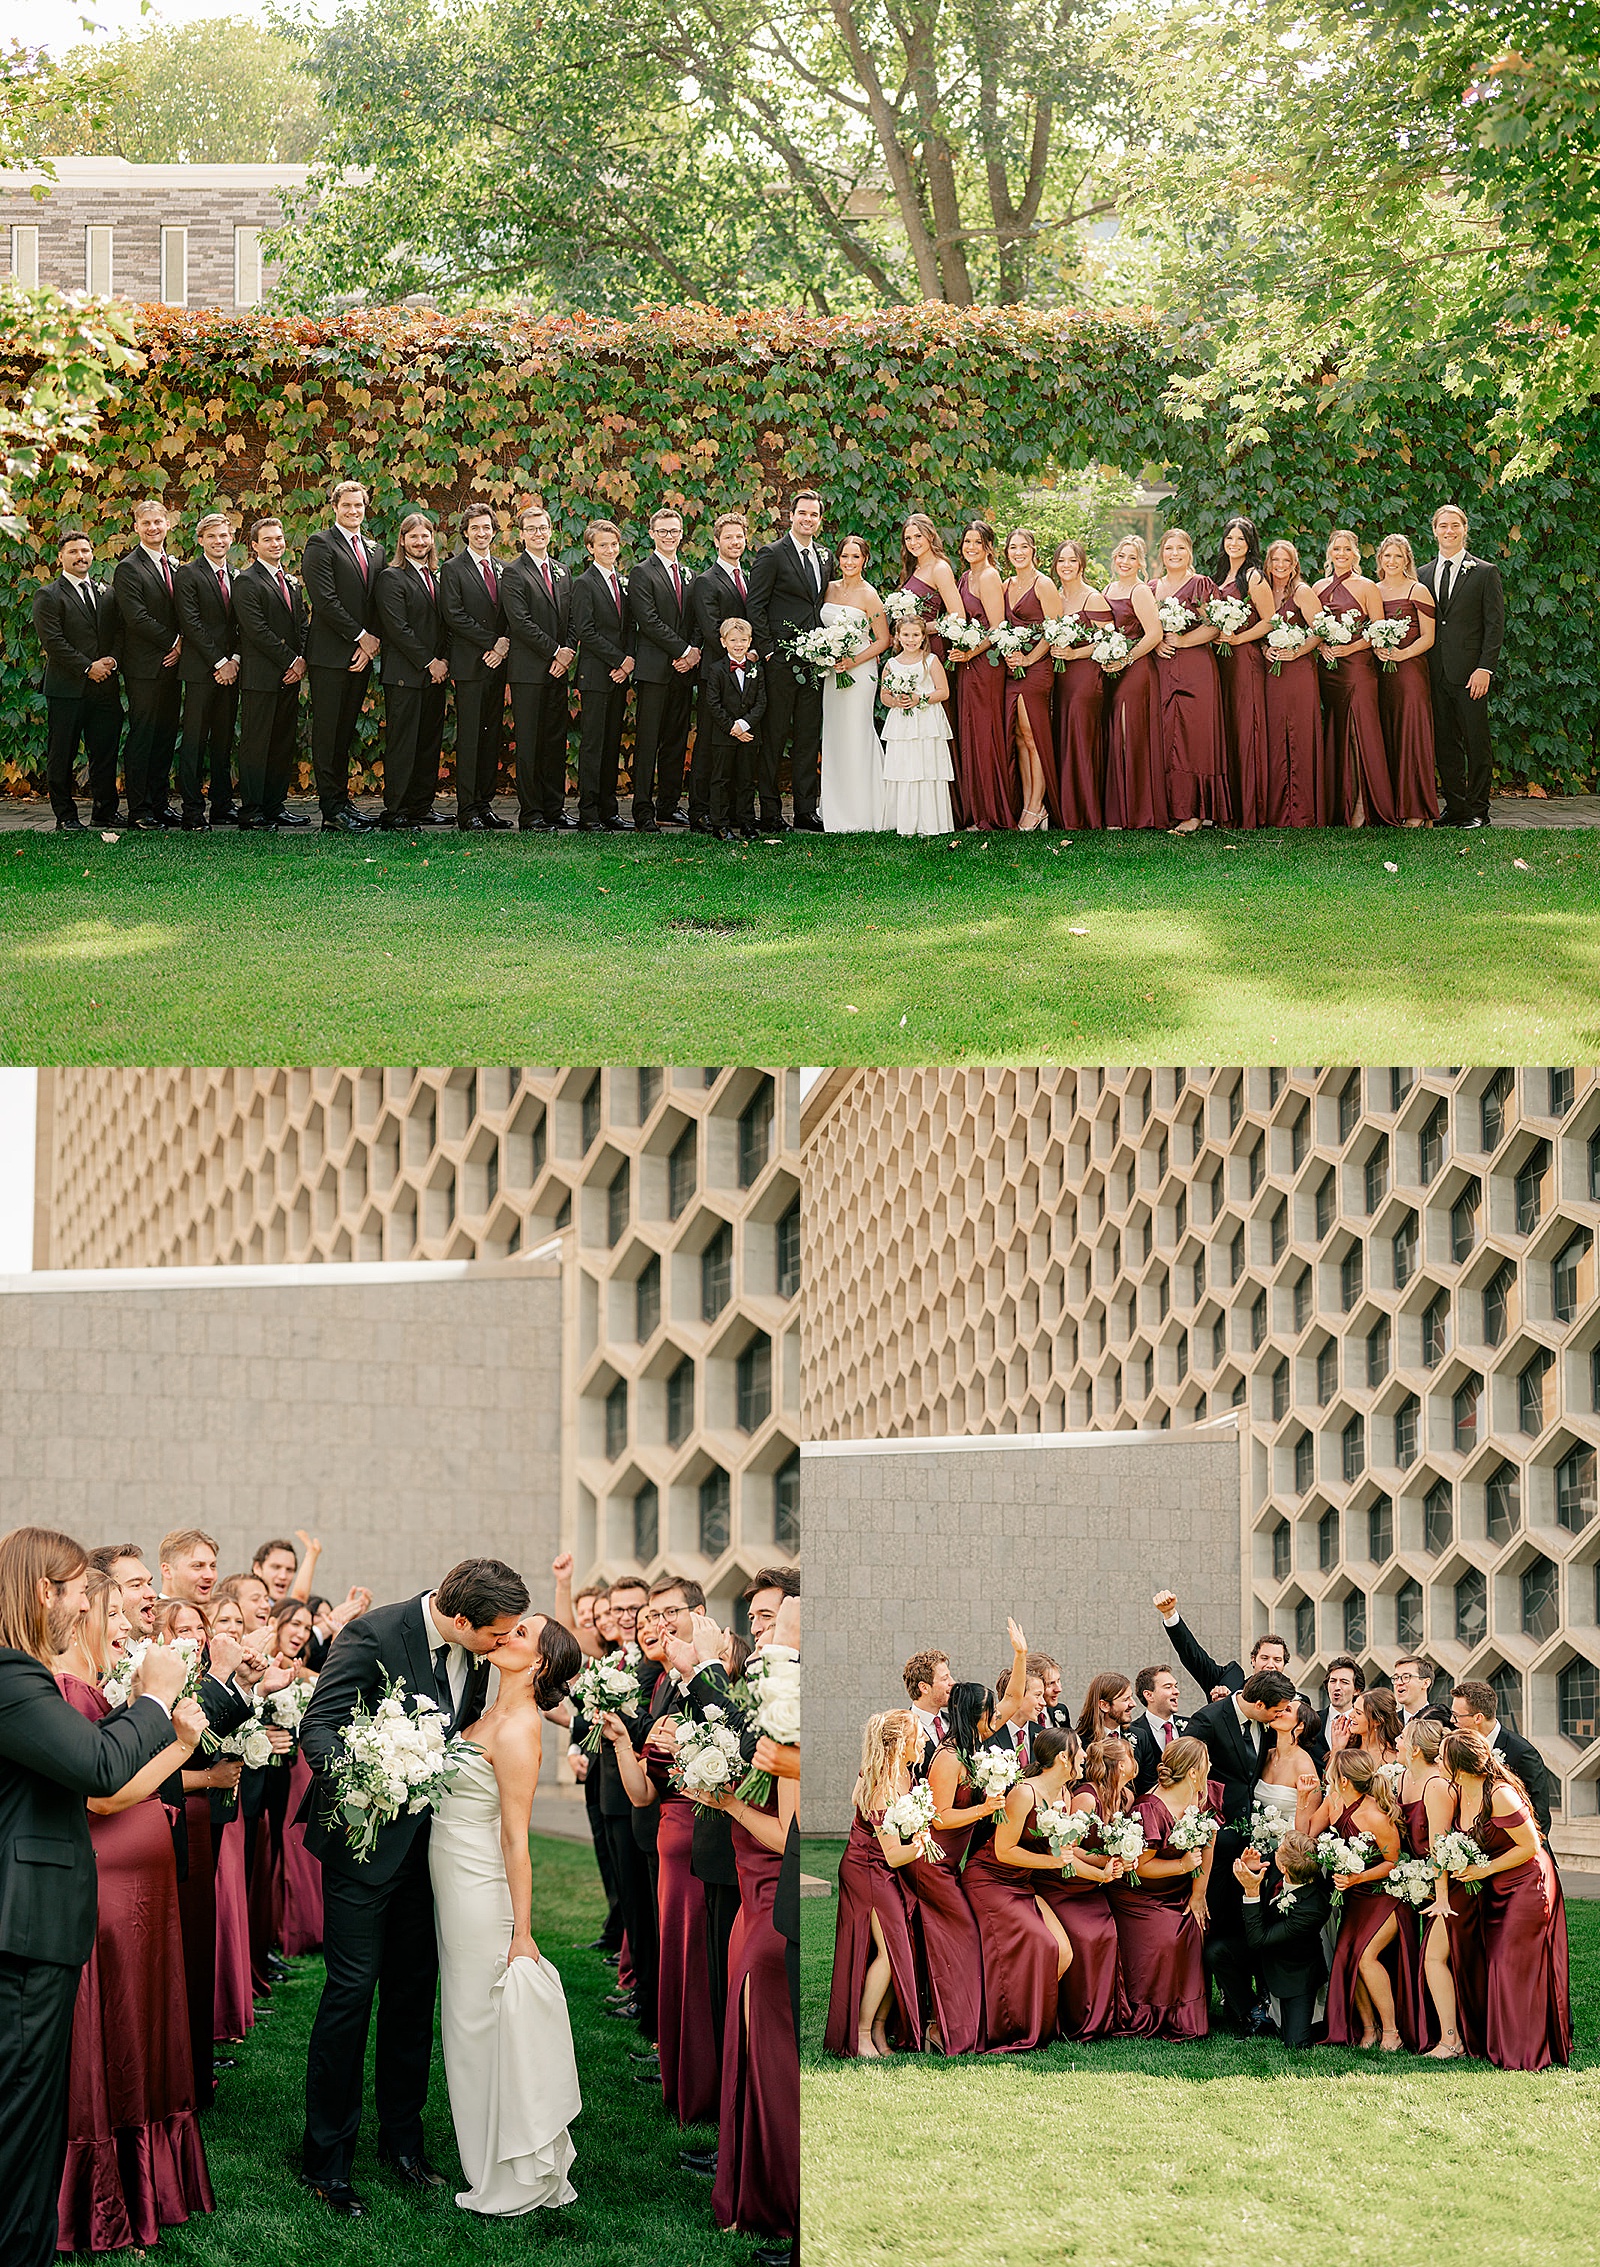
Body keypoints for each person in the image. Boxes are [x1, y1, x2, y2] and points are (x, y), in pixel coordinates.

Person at [297, 1556, 532, 2217]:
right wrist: (367, 1775)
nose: (503, 1642)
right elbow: (316, 1724)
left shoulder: (481, 1652)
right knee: (351, 1991)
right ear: (462, 1619)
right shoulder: (373, 1634)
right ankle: (327, 2160)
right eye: (497, 1632)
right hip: (361, 1843)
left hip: (433, 1853)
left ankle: (403, 2142)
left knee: (412, 1992)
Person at [0, 1526, 194, 2267]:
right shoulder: (14, 1676)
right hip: (21, 1934)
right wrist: (155, 1697)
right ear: (46, 1591)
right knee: (21, 2126)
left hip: (35, 1929)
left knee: (27, 2121)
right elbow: (97, 1765)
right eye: (81, 1592)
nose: (87, 1607)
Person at [54, 1570, 216, 2253]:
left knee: (134, 2033)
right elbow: (104, 1795)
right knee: (107, 2036)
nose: (125, 1626)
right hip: (106, 1893)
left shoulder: (87, 1686)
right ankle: (96, 2191)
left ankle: (139, 2171)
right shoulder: (65, 1689)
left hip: (134, 1892)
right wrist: (176, 1742)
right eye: (113, 1613)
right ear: (77, 1615)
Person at [430, 1609, 583, 2212]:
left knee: (476, 2027)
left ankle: (507, 2167)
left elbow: (517, 1838)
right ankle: (488, 2150)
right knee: (464, 2025)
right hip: (450, 1876)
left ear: (540, 1662)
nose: (506, 1634)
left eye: (522, 1633)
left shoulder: (520, 1728)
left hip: (479, 1891)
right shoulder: (487, 1709)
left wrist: (523, 1932)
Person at [1438, 1729, 1569, 2069]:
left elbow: (1531, 1846)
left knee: (1509, 1961)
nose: (1438, 1760)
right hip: (1497, 1882)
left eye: (1443, 1756)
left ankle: (1524, 2051)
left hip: (1527, 1882)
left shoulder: (1500, 1794)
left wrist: (1485, 1869)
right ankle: (1499, 2041)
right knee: (1494, 1960)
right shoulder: (1459, 1791)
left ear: (1460, 1766)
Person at [910, 1682, 1007, 2054]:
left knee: (959, 1938)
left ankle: (947, 2022)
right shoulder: (949, 1758)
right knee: (964, 1936)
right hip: (931, 1863)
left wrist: (1021, 1655)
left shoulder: (971, 1753)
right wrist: (985, 1807)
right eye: (989, 1713)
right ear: (974, 1715)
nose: (993, 1720)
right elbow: (941, 1816)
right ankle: (941, 2026)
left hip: (950, 1864)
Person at [823, 1711, 923, 2056]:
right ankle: (861, 2034)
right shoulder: (881, 1787)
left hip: (881, 1867)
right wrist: (924, 1841)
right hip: (867, 1868)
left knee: (900, 1947)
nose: (922, 1741)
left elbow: (854, 1799)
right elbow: (895, 1855)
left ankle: (879, 2031)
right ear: (901, 1744)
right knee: (888, 1950)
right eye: (918, 1736)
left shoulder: (904, 1774)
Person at [1113, 1735, 1220, 2038]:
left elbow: (1209, 1845)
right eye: (1206, 1763)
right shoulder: (1149, 1808)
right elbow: (1142, 1865)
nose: (1210, 1767)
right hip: (1140, 1893)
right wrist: (1182, 1867)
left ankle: (1185, 2013)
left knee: (1195, 1923)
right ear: (1193, 1771)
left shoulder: (1201, 1796)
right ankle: (1151, 2011)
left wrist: (1198, 1895)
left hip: (1181, 1889)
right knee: (1168, 1936)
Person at [1312, 1746, 1417, 2050]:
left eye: (1331, 1773)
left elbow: (1392, 1862)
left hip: (1385, 1896)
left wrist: (1357, 1876)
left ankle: (1392, 2031)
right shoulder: (1333, 1801)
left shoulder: (1375, 1815)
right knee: (1347, 1957)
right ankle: (1368, 2030)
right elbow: (1309, 1831)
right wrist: (1305, 1802)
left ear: (1343, 1779)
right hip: (1355, 1898)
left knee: (1366, 1957)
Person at [747, 489, 834, 832]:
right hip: (780, 660)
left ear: (819, 520)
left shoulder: (824, 557)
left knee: (808, 736)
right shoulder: (772, 554)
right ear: (791, 515)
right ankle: (769, 812)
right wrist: (768, 650)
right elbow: (755, 605)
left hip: (815, 662)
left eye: (814, 514)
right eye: (802, 513)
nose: (808, 519)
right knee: (774, 735)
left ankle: (804, 810)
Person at [300, 477, 383, 833]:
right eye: (346, 505)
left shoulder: (374, 548)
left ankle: (344, 803)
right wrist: (361, 637)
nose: (353, 511)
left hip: (361, 655)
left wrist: (370, 644)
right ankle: (332, 810)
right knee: (328, 733)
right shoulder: (321, 544)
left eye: (358, 505)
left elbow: (377, 600)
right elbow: (325, 600)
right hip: (331, 655)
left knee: (344, 732)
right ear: (335, 507)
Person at [1419, 502, 1504, 829]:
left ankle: (1479, 811)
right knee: (1445, 743)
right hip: (1434, 672)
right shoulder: (1423, 574)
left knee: (1476, 742)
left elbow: (1494, 625)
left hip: (1471, 674)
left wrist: (1485, 668)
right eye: (1443, 525)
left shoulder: (1484, 572)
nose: (1449, 531)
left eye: (1455, 525)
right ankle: (1455, 807)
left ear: (1464, 529)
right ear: (1435, 530)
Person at [32, 530, 123, 830]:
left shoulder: (105, 592)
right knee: (63, 752)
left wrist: (111, 660)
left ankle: (105, 812)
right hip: (68, 689)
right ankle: (66, 816)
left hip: (105, 686)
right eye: (73, 552)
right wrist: (88, 667)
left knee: (105, 752)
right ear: (60, 557)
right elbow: (54, 642)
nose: (80, 556)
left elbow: (118, 632)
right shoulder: (48, 595)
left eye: (85, 550)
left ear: (92, 554)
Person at [232, 515, 311, 831]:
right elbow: (256, 630)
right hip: (262, 677)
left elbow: (302, 624)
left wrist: (303, 658)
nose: (276, 543)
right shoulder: (247, 581)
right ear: (254, 546)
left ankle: (275, 806)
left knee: (281, 743)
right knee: (257, 744)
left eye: (279, 538)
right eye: (268, 539)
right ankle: (252, 811)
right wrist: (291, 661)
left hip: (290, 676)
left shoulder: (290, 580)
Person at [373, 512, 451, 831]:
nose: (420, 542)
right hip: (406, 674)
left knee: (428, 742)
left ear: (432, 540)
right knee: (403, 744)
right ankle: (397, 810)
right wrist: (429, 662)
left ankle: (421, 806)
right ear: (402, 541)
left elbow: (444, 625)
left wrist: (442, 662)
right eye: (414, 536)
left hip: (435, 675)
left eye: (425, 536)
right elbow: (398, 629)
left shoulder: (435, 576)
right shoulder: (392, 578)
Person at [501, 502, 576, 832]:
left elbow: (573, 617)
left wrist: (569, 651)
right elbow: (520, 623)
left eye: (543, 527)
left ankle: (554, 808)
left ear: (551, 531)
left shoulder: (563, 570)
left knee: (555, 742)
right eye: (531, 529)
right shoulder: (514, 572)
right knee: (530, 744)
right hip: (530, 672)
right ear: (522, 535)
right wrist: (555, 652)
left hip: (559, 671)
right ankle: (531, 814)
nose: (538, 533)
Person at [1312, 529, 1395, 826]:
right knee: (1335, 732)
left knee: (1359, 734)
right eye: (1337, 549)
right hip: (1329, 672)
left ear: (1356, 554)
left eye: (1347, 549)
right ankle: (1338, 806)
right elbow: (1312, 627)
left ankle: (1363, 804)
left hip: (1359, 670)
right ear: (1329, 552)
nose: (1342, 554)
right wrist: (1322, 645)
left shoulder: (1367, 586)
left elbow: (1378, 630)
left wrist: (1349, 647)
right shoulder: (1318, 586)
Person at [1150, 525, 1229, 832]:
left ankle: (1196, 811)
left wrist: (1182, 641)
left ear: (1190, 552)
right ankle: (1170, 807)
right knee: (1167, 734)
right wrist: (1157, 640)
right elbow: (1144, 626)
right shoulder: (1152, 586)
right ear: (1161, 553)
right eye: (1169, 548)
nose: (1174, 554)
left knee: (1195, 738)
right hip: (1164, 669)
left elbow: (1214, 627)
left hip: (1197, 668)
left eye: (1180, 548)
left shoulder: (1201, 584)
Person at [112, 496, 184, 829]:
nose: (153, 528)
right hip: (144, 666)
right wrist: (174, 641)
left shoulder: (172, 564)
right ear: (137, 527)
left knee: (166, 735)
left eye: (158, 522)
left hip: (173, 665)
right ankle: (139, 809)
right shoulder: (129, 568)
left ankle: (159, 802)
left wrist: (182, 646)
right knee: (143, 735)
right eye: (146, 523)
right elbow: (137, 617)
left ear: (168, 524)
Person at [627, 507, 701, 832]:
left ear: (682, 533)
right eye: (663, 531)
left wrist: (692, 654)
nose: (670, 536)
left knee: (676, 740)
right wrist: (682, 650)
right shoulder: (642, 572)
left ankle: (668, 806)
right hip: (655, 670)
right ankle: (643, 809)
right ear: (652, 534)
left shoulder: (689, 574)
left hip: (683, 673)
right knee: (648, 742)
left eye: (674, 531)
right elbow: (649, 621)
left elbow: (695, 618)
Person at [440, 502, 511, 832]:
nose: (481, 533)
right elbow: (454, 615)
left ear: (494, 531)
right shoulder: (453, 569)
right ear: (465, 532)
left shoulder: (503, 568)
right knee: (469, 738)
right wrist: (491, 643)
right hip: (470, 665)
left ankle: (485, 804)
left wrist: (504, 644)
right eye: (475, 528)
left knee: (490, 736)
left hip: (497, 665)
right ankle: (466, 809)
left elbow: (512, 612)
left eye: (486, 527)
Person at [689, 511, 757, 832]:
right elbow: (711, 629)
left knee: (738, 747)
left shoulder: (750, 576)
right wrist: (738, 655)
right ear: (716, 541)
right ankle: (700, 812)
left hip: (746, 675)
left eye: (739, 537)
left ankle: (730, 812)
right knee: (709, 746)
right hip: (717, 674)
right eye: (728, 537)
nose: (735, 542)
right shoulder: (706, 581)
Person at [173, 510, 240, 829]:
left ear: (232, 538)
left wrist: (235, 661)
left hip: (231, 672)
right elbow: (191, 624)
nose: (219, 541)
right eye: (211, 536)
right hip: (202, 671)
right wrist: (219, 663)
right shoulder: (188, 574)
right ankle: (192, 810)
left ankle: (223, 805)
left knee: (224, 741)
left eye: (224, 535)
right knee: (195, 742)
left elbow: (243, 625)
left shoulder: (238, 575)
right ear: (200, 540)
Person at [568, 518, 635, 833]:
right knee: (594, 745)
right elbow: (586, 631)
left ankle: (609, 810)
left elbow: (628, 627)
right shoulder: (585, 583)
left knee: (612, 744)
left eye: (614, 544)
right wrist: (620, 659)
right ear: (590, 548)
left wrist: (626, 664)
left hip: (619, 676)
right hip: (596, 675)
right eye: (603, 545)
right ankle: (589, 813)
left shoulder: (620, 581)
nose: (610, 550)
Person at [817, 534, 888, 832]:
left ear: (865, 561)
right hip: (832, 673)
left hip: (859, 673)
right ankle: (834, 807)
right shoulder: (828, 589)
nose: (849, 562)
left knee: (857, 733)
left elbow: (884, 639)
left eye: (855, 557)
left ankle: (864, 809)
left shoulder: (869, 594)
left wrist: (852, 661)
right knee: (834, 734)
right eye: (844, 556)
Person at [1235, 1831, 1330, 2047]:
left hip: (1293, 1972)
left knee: (1296, 2041)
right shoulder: (1285, 1864)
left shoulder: (1313, 1907)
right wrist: (1249, 1866)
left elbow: (1259, 1939)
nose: (1274, 1852)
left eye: (1278, 1851)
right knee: (1219, 1952)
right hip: (1260, 1953)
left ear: (1284, 1867)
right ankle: (1254, 2010)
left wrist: (1252, 1891)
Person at [1210, 515, 1274, 829]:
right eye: (1230, 538)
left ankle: (1251, 810)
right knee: (1227, 730)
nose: (1234, 544)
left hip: (1244, 660)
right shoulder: (1220, 574)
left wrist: (1238, 638)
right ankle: (1228, 809)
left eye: (1241, 539)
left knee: (1247, 729)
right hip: (1220, 662)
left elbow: (1270, 620)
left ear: (1250, 545)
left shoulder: (1254, 576)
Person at [1371, 532, 1439, 825]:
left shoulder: (1417, 590)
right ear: (1380, 560)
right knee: (1387, 736)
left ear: (1407, 559)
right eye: (1387, 556)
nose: (1392, 561)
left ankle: (1417, 809)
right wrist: (1376, 646)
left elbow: (1429, 638)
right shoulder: (1373, 590)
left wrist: (1402, 654)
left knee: (1411, 735)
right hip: (1381, 675)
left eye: (1398, 556)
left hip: (1410, 674)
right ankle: (1392, 807)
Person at [1100, 534, 1165, 829]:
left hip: (1136, 669)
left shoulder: (1140, 591)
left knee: (1130, 734)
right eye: (1120, 556)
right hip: (1110, 669)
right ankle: (1118, 810)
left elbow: (1154, 634)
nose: (1124, 562)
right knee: (1115, 733)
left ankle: (1138, 811)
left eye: (1131, 557)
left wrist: (1126, 658)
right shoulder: (1108, 588)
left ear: (1141, 562)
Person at [1260, 539, 1326, 827]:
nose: (1281, 565)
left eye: (1286, 561)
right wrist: (1265, 649)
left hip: (1298, 673)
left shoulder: (1302, 591)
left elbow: (1320, 631)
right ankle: (1277, 811)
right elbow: (1260, 631)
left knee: (1299, 735)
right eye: (1276, 560)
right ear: (1268, 563)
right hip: (1272, 674)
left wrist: (1297, 650)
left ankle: (1302, 812)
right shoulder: (1263, 591)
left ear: (1295, 564)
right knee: (1274, 736)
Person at [998, 526, 1061, 830]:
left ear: (1034, 550)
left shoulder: (1043, 583)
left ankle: (1038, 807)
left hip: (1036, 667)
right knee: (1020, 738)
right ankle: (1027, 803)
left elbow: (1054, 630)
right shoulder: (1006, 584)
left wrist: (1029, 658)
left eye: (1024, 547)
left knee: (1033, 734)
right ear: (1007, 552)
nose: (1018, 552)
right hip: (1013, 668)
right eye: (1013, 548)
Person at [952, 520, 1013, 829]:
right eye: (967, 542)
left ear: (989, 546)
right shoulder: (965, 576)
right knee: (969, 732)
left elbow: (997, 627)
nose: (971, 547)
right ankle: (973, 810)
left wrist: (970, 652)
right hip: (967, 662)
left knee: (985, 734)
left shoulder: (989, 576)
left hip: (986, 664)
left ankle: (990, 812)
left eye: (978, 542)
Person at [1049, 537, 1110, 830]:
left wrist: (1075, 653)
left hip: (1086, 676)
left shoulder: (1093, 598)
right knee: (1063, 734)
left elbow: (1110, 640)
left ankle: (1085, 813)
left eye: (1072, 560)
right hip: (1059, 678)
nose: (1067, 565)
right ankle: (1066, 810)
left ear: (1082, 564)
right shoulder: (1054, 597)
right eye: (1061, 560)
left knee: (1080, 737)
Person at [1449, 1679, 1554, 1840]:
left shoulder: (1522, 1753)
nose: (1452, 1721)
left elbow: (1540, 1816)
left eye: (1456, 1716)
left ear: (1478, 1718)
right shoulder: (1458, 1747)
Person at [879, 613, 954, 836]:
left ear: (923, 637)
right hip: (901, 723)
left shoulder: (931, 661)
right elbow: (884, 695)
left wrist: (919, 699)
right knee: (905, 767)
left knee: (927, 767)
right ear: (897, 637)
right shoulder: (891, 664)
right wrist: (897, 702)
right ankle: (905, 822)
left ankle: (930, 822)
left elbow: (943, 692)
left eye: (915, 635)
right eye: (906, 635)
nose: (911, 639)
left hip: (927, 722)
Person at [703, 617, 766, 840]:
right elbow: (713, 702)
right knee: (721, 779)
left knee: (747, 780)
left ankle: (747, 822)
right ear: (723, 642)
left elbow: (761, 702)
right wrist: (732, 726)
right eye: (733, 640)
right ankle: (720, 825)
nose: (738, 644)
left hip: (749, 734)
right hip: (724, 734)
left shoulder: (756, 669)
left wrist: (744, 724)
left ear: (749, 642)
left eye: (743, 640)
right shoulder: (716, 669)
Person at [1126, 1664, 1186, 1795]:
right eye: (1168, 1687)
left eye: (1175, 1686)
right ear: (1149, 1695)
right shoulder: (1132, 1733)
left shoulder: (1191, 1726)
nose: (1176, 1691)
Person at [901, 1647, 953, 1758]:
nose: (952, 1682)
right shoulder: (902, 1730)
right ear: (924, 1687)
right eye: (945, 1679)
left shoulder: (956, 1722)